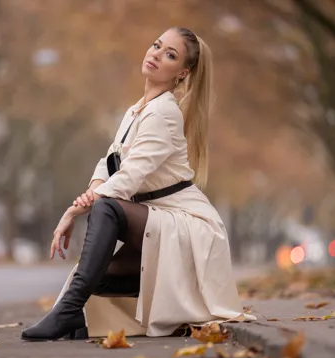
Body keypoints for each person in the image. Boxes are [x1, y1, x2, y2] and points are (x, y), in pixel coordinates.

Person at [21, 27, 255, 341]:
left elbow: (129, 178)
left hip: (187, 226)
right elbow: (109, 162)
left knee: (108, 208)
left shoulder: (163, 113)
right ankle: (77, 316)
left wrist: (72, 214)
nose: (157, 54)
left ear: (182, 72)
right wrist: (84, 198)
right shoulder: (137, 109)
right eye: (156, 46)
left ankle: (68, 311)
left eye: (170, 54)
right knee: (95, 276)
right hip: (158, 220)